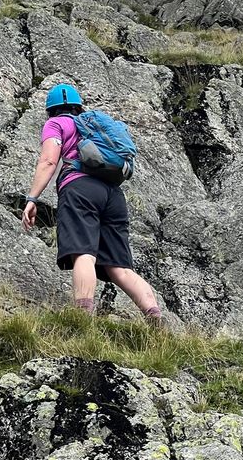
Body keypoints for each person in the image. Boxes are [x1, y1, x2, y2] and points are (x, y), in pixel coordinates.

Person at [21, 83, 164, 326]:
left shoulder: (56, 124)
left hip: (79, 189)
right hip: (113, 195)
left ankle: (82, 321)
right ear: (79, 107)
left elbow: (48, 161)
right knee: (119, 267)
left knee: (83, 253)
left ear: (50, 110)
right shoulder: (90, 126)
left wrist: (32, 198)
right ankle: (155, 318)